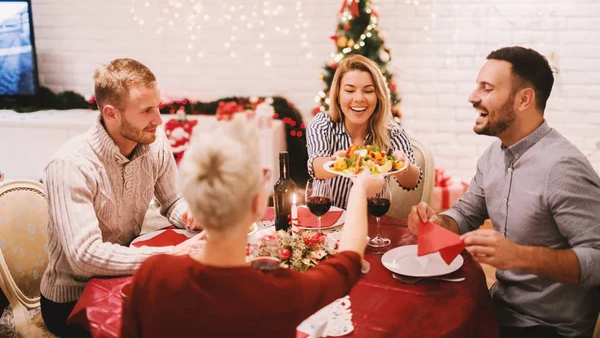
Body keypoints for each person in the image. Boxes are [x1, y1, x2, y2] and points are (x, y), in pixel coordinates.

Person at [121, 117, 384, 338]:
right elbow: (348, 259)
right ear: (259, 202)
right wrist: (359, 189)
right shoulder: (280, 293)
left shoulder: (153, 275)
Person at [408, 47, 600, 338]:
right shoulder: (493, 156)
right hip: (500, 306)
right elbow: (465, 213)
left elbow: (596, 258)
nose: (473, 97)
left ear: (524, 99)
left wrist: (520, 256)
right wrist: (438, 223)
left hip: (548, 328)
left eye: (487, 88)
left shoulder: (563, 167)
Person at [40, 58, 204, 337]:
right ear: (111, 113)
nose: (158, 120)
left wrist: (190, 213)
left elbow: (173, 201)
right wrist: (169, 255)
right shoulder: (71, 164)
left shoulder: (154, 142)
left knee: (198, 315)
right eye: (146, 110)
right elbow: (84, 256)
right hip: (72, 301)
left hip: (125, 277)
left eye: (158, 106)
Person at [306, 54, 421, 209]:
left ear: (378, 96)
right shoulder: (323, 123)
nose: (359, 98)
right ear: (338, 95)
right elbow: (317, 167)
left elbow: (412, 180)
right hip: (328, 219)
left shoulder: (392, 132)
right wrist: (338, 163)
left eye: (368, 91)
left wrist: (401, 165)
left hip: (372, 221)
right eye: (350, 90)